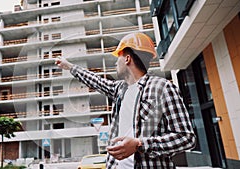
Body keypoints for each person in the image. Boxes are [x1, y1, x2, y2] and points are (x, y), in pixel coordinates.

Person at [55, 32, 196, 169]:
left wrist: (139, 144)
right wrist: (69, 66)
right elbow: (96, 81)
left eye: (118, 58)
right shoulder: (120, 89)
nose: (116, 63)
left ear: (127, 59)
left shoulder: (162, 88)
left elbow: (186, 138)